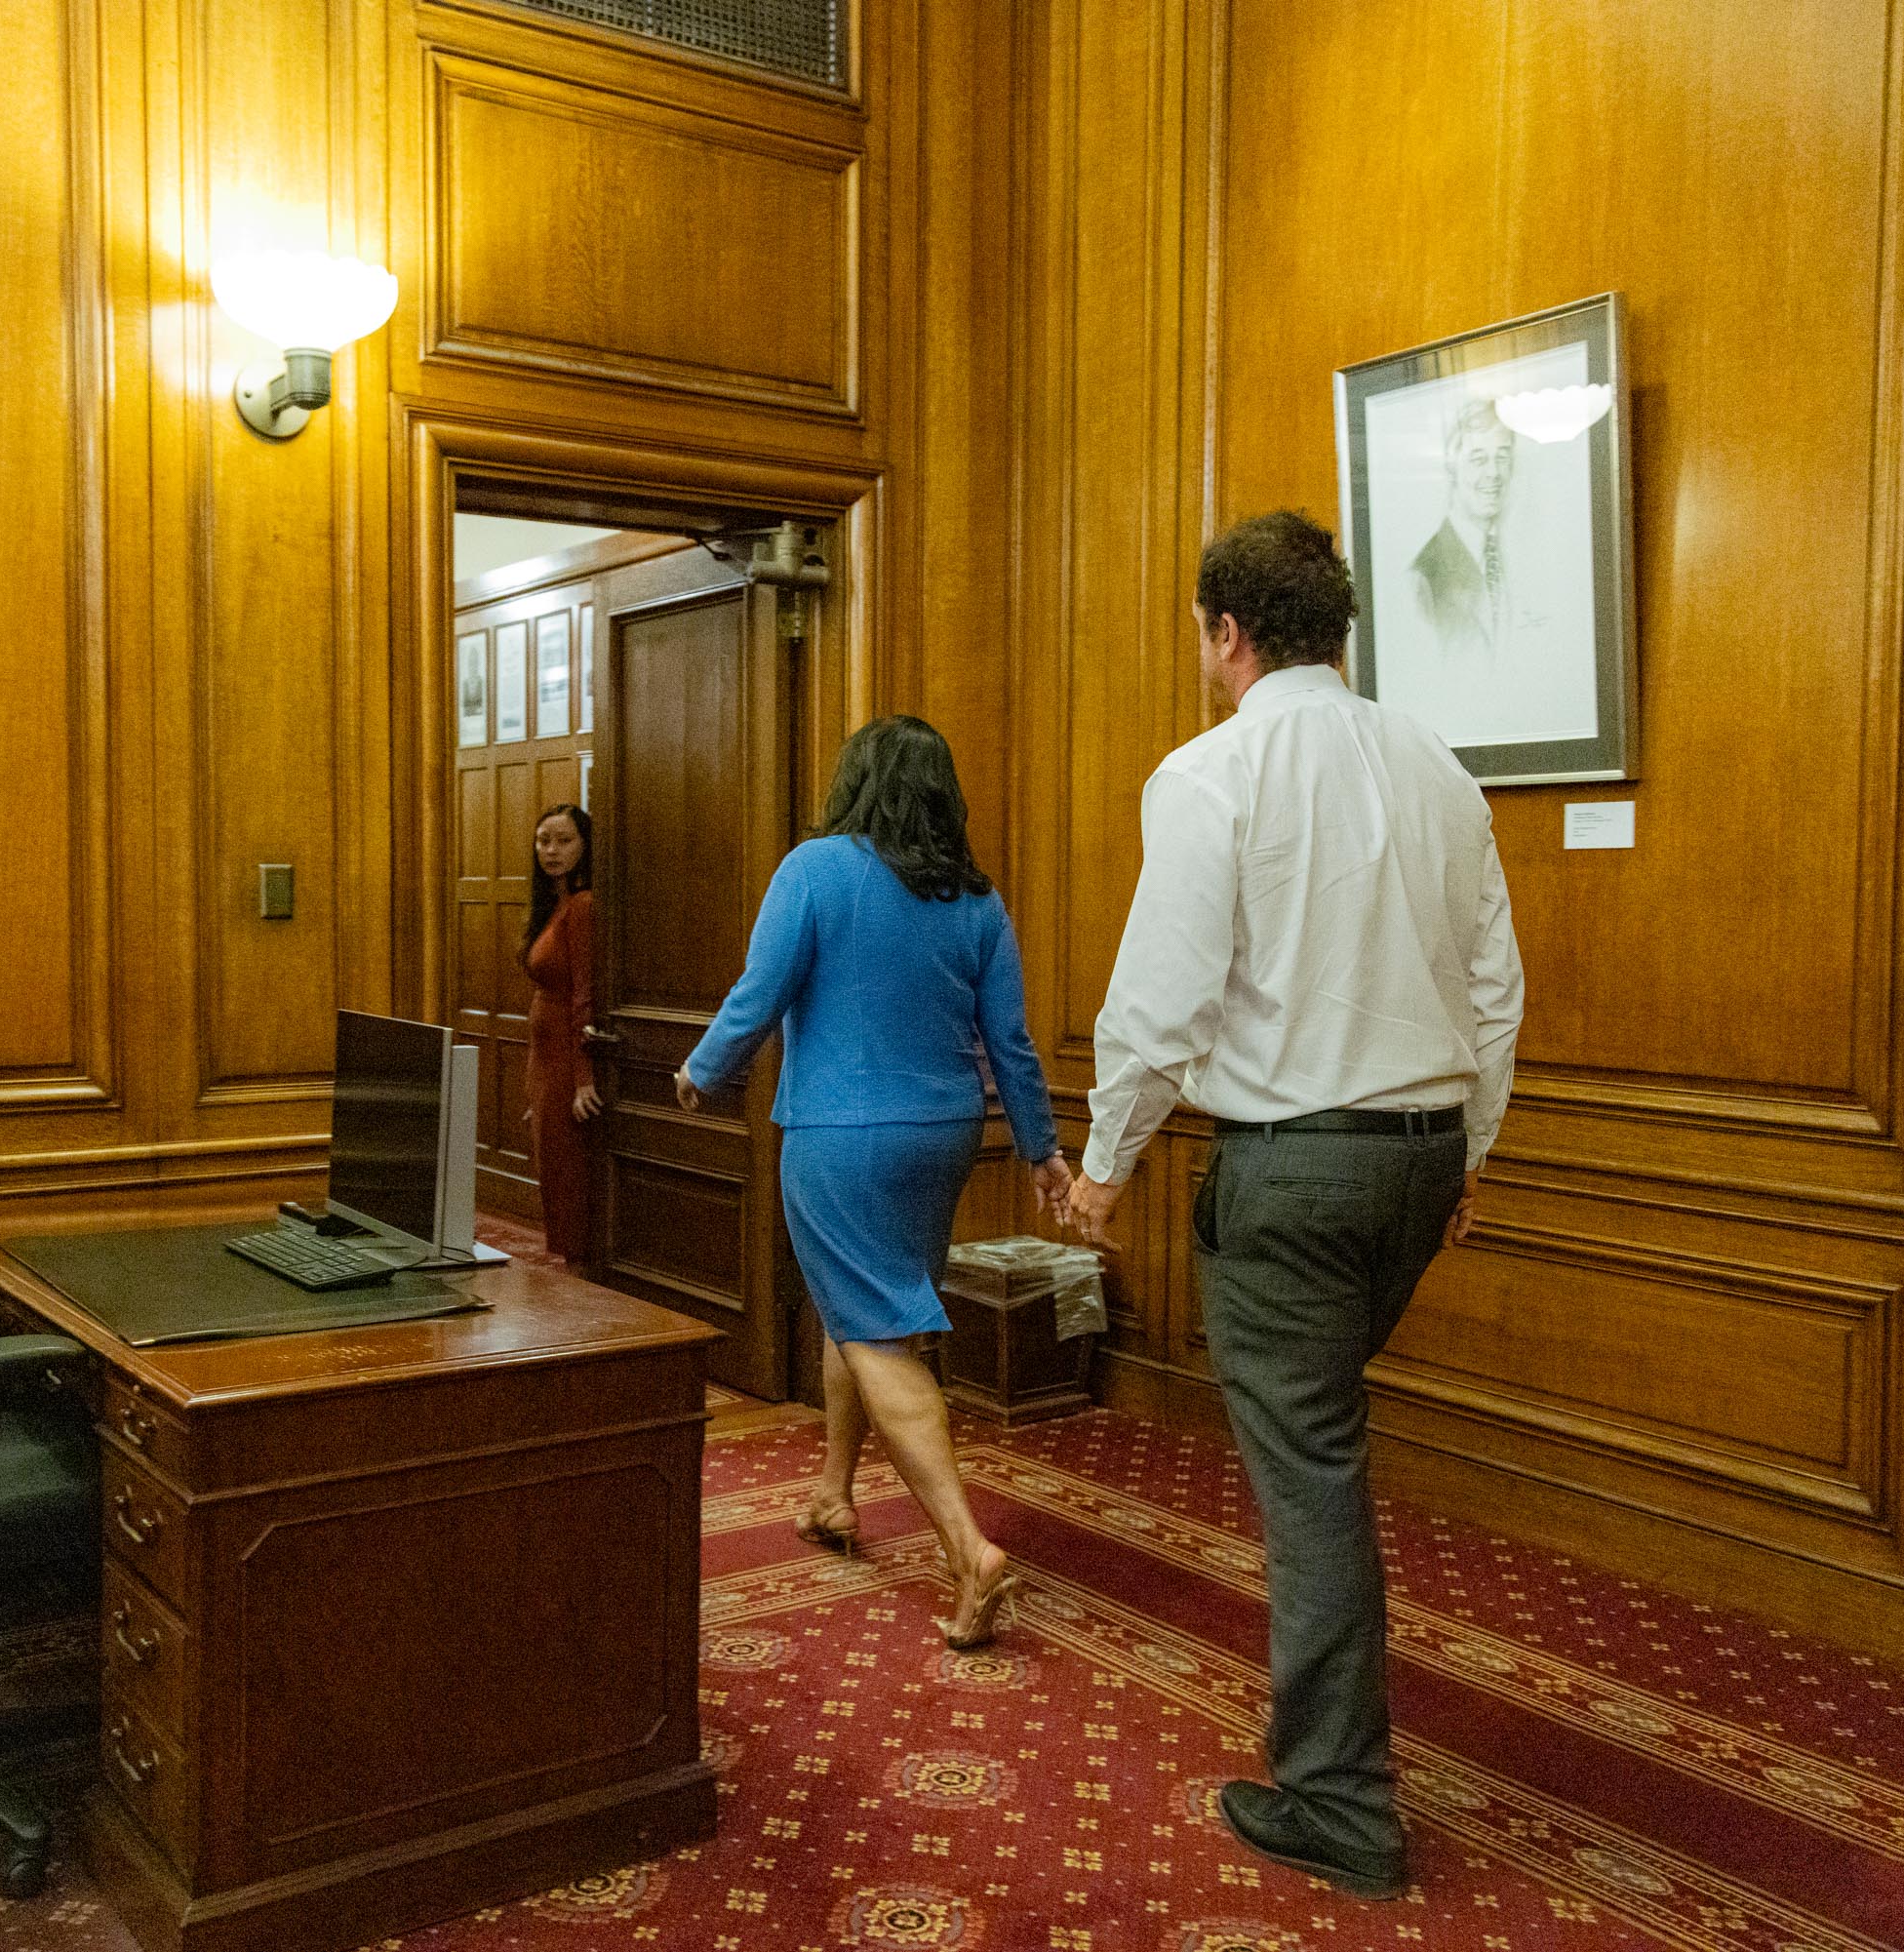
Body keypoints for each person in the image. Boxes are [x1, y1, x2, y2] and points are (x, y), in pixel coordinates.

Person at [1065, 510, 1524, 1901]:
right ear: (1341, 626)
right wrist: (1472, 1153)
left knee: (1312, 1474)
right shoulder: (1440, 769)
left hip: (1293, 1169)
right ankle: (1337, 1764)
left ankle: (1340, 1800)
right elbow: (1494, 987)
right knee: (1324, 1440)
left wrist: (1103, 1162)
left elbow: (1162, 1000)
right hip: (1421, 1158)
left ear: (1227, 632)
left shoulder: (1212, 773)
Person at [674, 716, 1073, 1649]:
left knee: (880, 1332)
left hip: (838, 1134)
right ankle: (834, 1492)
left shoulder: (813, 868)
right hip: (941, 1135)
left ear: (854, 783)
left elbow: (758, 992)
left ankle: (967, 1548)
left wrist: (703, 1070)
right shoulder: (976, 901)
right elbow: (1009, 1043)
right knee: (861, 1310)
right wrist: (1040, 1148)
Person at [523, 804, 604, 1273]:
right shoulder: (555, 903)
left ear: (585, 845)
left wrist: (583, 1076)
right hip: (545, 1058)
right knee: (552, 1172)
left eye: (563, 841)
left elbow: (584, 997)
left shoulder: (585, 904)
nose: (550, 851)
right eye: (542, 841)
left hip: (567, 1058)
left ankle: (584, 1280)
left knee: (571, 1181)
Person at [1408, 397, 1517, 660]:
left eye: (1501, 457)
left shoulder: (1519, 559)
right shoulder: (1422, 578)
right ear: (1451, 464)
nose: (1494, 473)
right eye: (1479, 459)